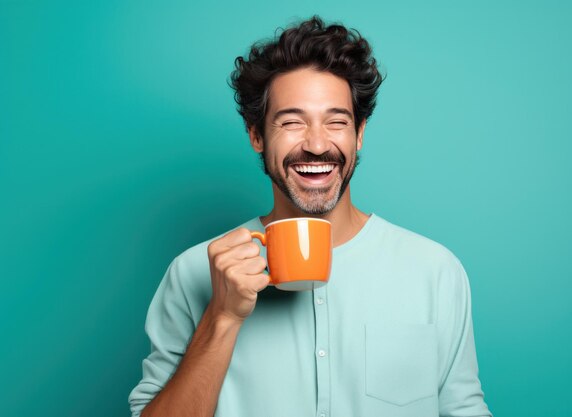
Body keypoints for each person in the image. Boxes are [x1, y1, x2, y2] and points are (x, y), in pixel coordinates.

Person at [129, 16, 491, 417]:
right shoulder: (193, 273)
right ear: (256, 136)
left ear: (359, 134)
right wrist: (223, 317)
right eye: (292, 122)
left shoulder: (435, 272)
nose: (317, 145)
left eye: (337, 122)